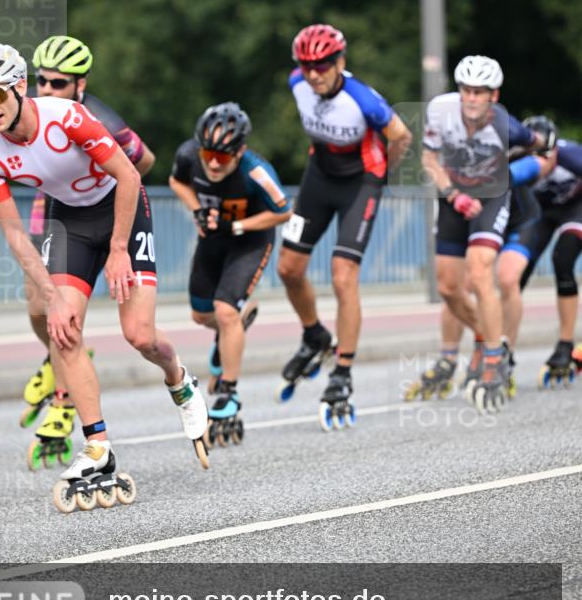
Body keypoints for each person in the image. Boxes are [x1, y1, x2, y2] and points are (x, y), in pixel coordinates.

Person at [0, 43, 209, 512]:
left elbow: (131, 176)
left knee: (139, 335)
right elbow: (15, 234)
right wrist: (53, 296)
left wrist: (118, 250)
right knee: (64, 329)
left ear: (18, 87)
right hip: (70, 221)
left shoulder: (67, 118)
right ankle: (98, 448)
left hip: (122, 209)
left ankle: (178, 378)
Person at [20, 35, 156, 468]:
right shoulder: (26, 111)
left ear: (80, 85)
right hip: (55, 205)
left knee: (64, 314)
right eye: (41, 81)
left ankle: (64, 397)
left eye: (59, 84)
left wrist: (107, 183)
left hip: (99, 203)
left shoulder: (103, 121)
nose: (47, 91)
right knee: (36, 305)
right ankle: (54, 356)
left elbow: (143, 162)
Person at [276, 23, 412, 430]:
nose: (314, 73)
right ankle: (315, 336)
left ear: (340, 62)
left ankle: (342, 371)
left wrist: (385, 174)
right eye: (307, 65)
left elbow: (401, 135)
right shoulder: (296, 82)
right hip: (319, 178)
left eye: (323, 65)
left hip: (361, 182)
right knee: (288, 268)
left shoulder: (363, 100)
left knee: (342, 276)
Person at [419, 54, 544, 412]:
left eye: (480, 92)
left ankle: (492, 357)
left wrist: (543, 139)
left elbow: (535, 141)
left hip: (491, 195)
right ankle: (491, 337)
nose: (472, 98)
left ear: (494, 95)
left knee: (480, 270)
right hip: (453, 195)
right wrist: (453, 195)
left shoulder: (507, 125)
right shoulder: (440, 111)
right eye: (466, 91)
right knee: (448, 287)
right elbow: (429, 160)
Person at [169, 102, 292, 445]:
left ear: (240, 152)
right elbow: (176, 182)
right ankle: (233, 328)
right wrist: (197, 210)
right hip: (213, 237)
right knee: (201, 314)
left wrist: (235, 225)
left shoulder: (256, 172)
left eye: (222, 157)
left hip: (249, 241)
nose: (212, 163)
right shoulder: (188, 155)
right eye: (208, 153)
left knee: (225, 310)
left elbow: (283, 213)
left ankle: (228, 391)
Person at [406, 139, 555, 402]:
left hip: (518, 224)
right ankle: (449, 357)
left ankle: (503, 353)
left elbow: (539, 164)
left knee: (507, 279)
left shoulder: (505, 158)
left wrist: (539, 158)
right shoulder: (457, 172)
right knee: (456, 287)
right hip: (481, 219)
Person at [519, 117, 582, 387]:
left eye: (546, 155)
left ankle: (565, 344)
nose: (541, 162)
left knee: (563, 259)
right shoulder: (518, 161)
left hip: (576, 208)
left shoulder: (572, 157)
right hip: (542, 213)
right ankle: (499, 347)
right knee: (518, 270)